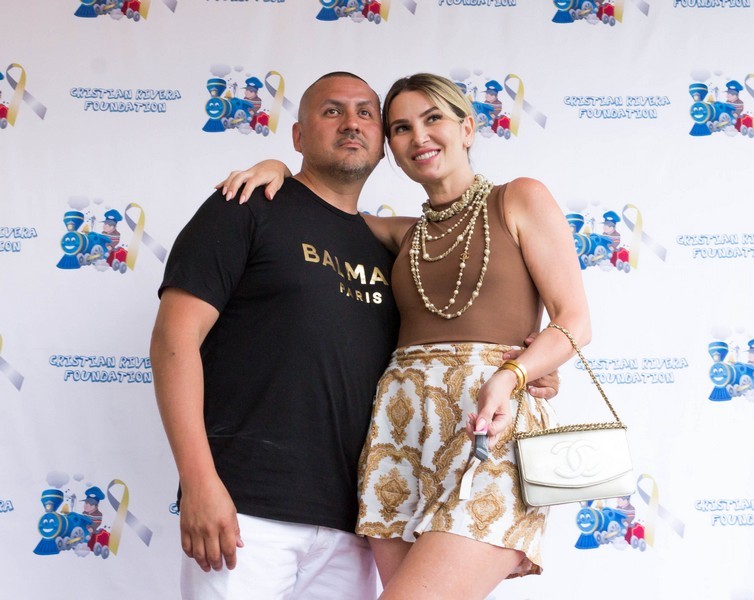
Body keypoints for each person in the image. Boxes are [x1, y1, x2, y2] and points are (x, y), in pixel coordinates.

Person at [221, 73, 589, 599]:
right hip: (397, 438)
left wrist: (513, 375)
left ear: (467, 128)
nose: (419, 136)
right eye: (400, 127)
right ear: (389, 147)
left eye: (433, 118)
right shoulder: (398, 235)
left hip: (488, 427)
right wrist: (278, 167)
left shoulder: (518, 198)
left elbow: (575, 321)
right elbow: (319, 204)